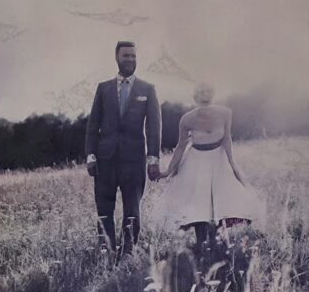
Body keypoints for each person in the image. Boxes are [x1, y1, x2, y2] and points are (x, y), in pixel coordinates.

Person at [151, 83, 268, 263]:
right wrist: (169, 170)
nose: (204, 95)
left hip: (218, 158)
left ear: (213, 94)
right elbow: (181, 145)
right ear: (195, 96)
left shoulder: (225, 113)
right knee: (199, 203)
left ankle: (215, 243)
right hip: (196, 161)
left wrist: (231, 162)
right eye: (200, 92)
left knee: (222, 201)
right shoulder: (187, 119)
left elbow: (227, 138)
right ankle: (201, 244)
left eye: (207, 91)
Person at [84, 40, 159, 256]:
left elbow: (154, 127)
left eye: (134, 56)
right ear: (117, 57)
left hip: (134, 160)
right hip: (105, 159)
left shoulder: (147, 89)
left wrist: (153, 159)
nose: (130, 60)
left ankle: (128, 253)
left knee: (132, 209)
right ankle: (106, 251)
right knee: (104, 208)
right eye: (126, 55)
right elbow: (93, 124)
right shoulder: (103, 88)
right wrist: (90, 155)